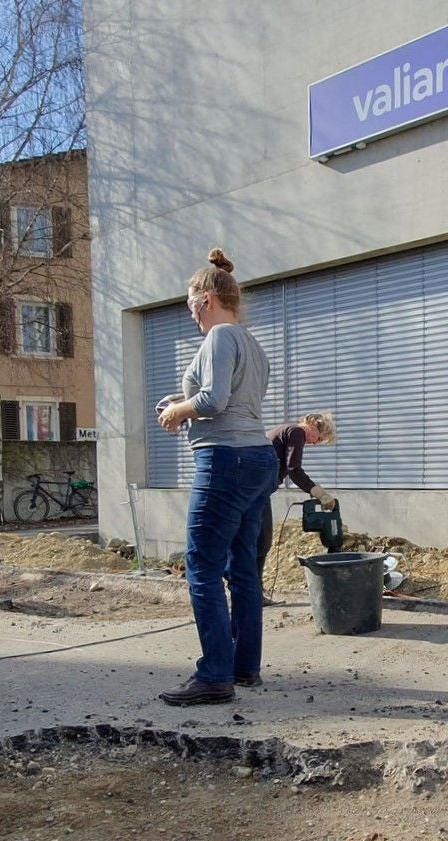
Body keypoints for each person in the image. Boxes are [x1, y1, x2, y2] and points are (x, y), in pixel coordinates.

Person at [154, 248, 278, 706]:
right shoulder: (249, 340)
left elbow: (212, 402)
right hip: (257, 459)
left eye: (190, 304)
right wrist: (179, 401)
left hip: (226, 459)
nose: (189, 313)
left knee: (202, 566)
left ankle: (213, 676)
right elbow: (228, 397)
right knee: (243, 567)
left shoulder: (220, 336)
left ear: (205, 299)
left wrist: (175, 413)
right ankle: (244, 666)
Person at [255, 411, 338, 579]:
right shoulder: (297, 432)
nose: (315, 444)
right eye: (320, 439)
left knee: (253, 539)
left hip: (253, 487)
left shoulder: (286, 430)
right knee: (262, 541)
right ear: (315, 425)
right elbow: (294, 470)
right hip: (257, 490)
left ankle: (250, 590)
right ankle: (254, 592)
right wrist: (319, 493)